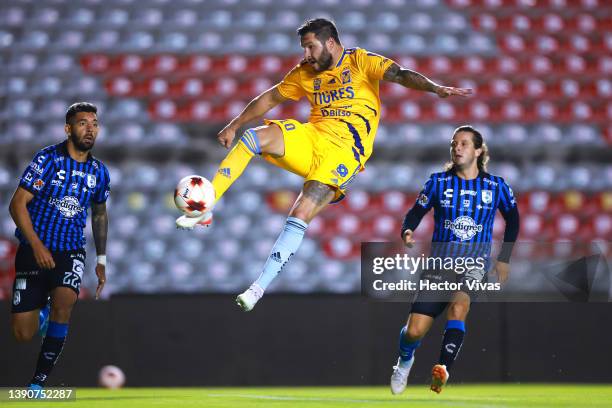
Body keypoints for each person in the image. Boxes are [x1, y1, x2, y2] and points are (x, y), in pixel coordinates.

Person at [176, 18, 472, 311]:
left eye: (310, 47)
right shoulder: (305, 72)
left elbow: (401, 74)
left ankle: (257, 288)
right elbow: (270, 98)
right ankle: (206, 205)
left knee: (302, 210)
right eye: (304, 48)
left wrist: (435, 88)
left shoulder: (360, 61)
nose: (306, 54)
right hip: (313, 137)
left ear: (330, 42)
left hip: (345, 152)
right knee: (254, 137)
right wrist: (235, 124)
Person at [389, 125, 520, 395]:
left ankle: (443, 368)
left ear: (479, 150)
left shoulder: (496, 186)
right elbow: (416, 211)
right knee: (414, 331)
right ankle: (404, 361)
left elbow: (514, 219)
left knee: (459, 308)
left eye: (463, 144)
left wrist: (504, 258)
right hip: (439, 266)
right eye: (454, 144)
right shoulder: (438, 182)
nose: (457, 148)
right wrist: (408, 229)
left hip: (474, 264)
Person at [8, 102, 110, 390]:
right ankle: (41, 316)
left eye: (94, 123)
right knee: (23, 334)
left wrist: (101, 258)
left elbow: (99, 212)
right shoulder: (48, 160)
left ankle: (37, 383)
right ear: (68, 129)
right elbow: (17, 205)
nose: (90, 128)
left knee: (65, 302)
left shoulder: (99, 172)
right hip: (34, 250)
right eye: (82, 123)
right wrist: (37, 246)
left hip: (70, 250)